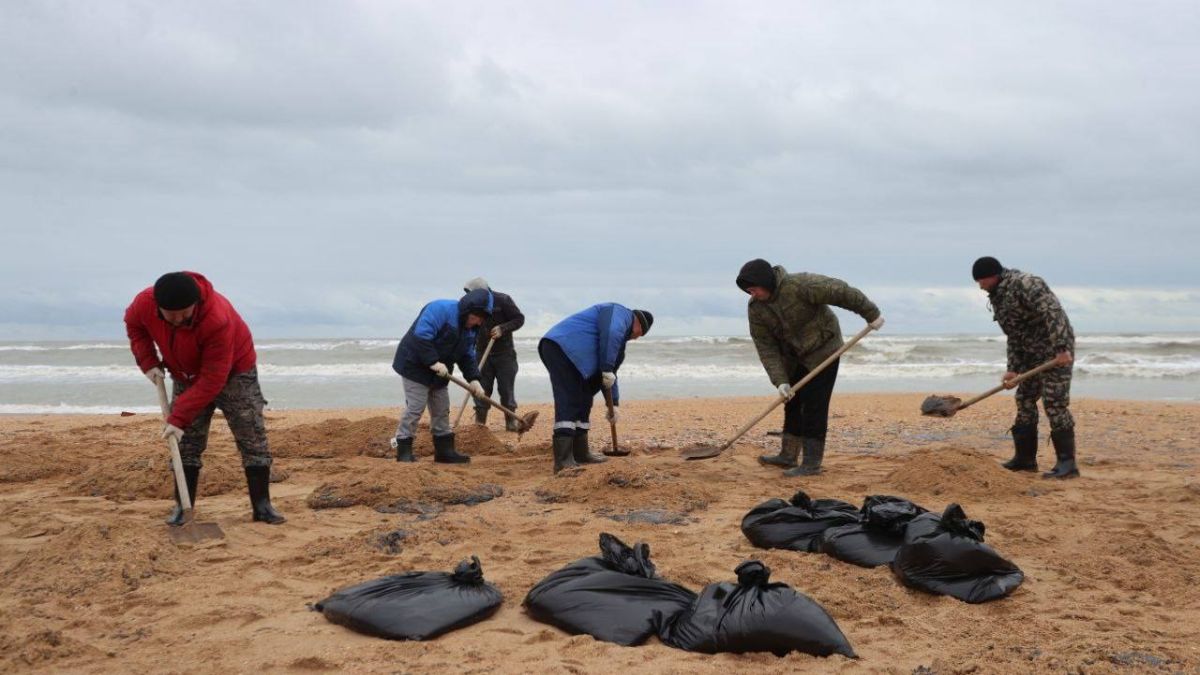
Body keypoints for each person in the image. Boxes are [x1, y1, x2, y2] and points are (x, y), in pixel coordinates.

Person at [124, 271, 285, 525]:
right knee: (186, 442)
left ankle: (262, 506)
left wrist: (177, 417)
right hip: (184, 374)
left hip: (234, 373)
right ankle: (182, 507)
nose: (178, 321)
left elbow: (212, 379)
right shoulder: (143, 304)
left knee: (251, 434)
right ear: (157, 306)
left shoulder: (216, 318)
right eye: (171, 316)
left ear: (196, 303)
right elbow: (135, 327)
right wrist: (148, 361)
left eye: (185, 314)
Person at [737, 258, 884, 477]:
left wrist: (871, 314)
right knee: (793, 402)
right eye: (748, 291)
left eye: (754, 289)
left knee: (815, 405)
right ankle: (788, 455)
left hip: (824, 349)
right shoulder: (756, 309)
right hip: (794, 357)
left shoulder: (801, 285)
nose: (752, 295)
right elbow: (765, 347)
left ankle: (811, 464)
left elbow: (840, 291)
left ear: (765, 282)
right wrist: (781, 381)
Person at [972, 256, 1079, 479]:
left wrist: (1061, 348)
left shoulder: (1027, 283)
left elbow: (1053, 312)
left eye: (981, 280)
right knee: (1024, 399)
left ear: (992, 276)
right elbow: (1014, 335)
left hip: (1055, 350)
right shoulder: (998, 296)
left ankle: (1068, 465)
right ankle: (1025, 460)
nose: (980, 286)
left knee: (1054, 402)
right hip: (1031, 353)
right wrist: (1013, 368)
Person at [539, 304, 654, 473]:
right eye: (639, 334)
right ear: (638, 323)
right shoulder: (619, 313)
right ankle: (563, 461)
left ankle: (580, 453)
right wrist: (606, 367)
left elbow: (611, 374)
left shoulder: (619, 343)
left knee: (584, 398)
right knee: (569, 399)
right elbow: (611, 334)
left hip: (579, 359)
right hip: (562, 347)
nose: (636, 338)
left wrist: (613, 404)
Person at [390, 289, 491, 463]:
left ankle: (444, 451)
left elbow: (467, 354)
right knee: (415, 407)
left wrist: (474, 379)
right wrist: (433, 361)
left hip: (442, 370)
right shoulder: (440, 309)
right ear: (468, 311)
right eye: (476, 317)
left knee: (441, 408)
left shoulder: (473, 328)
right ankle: (403, 449)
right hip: (414, 364)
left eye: (481, 319)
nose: (477, 322)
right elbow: (420, 337)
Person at [463, 278, 526, 431]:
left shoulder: (503, 300)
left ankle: (510, 422)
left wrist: (503, 328)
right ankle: (480, 423)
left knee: (506, 389)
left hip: (505, 354)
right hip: (481, 352)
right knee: (481, 389)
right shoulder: (470, 304)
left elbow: (519, 319)